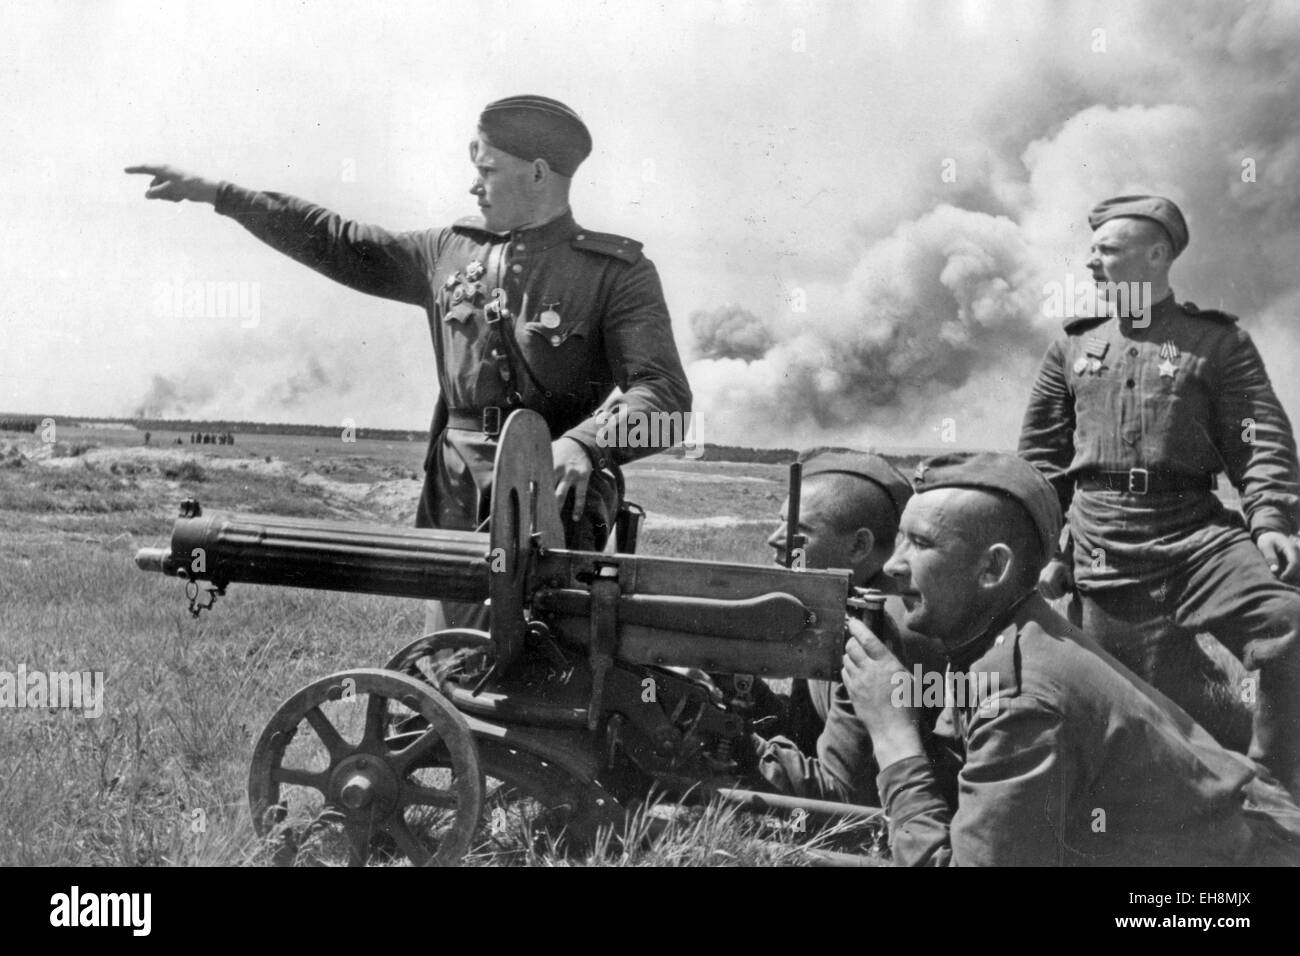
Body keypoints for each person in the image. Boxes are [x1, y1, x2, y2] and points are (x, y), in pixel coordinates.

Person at [126, 95, 692, 634]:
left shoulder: (616, 273)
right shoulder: (447, 252)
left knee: (539, 656)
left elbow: (665, 396)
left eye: (489, 170)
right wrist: (222, 194)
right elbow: (339, 241)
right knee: (448, 655)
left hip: (548, 498)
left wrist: (588, 444)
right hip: (455, 488)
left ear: (539, 174)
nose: (475, 184)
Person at [842, 451, 1300, 866]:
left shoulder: (1023, 695)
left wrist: (893, 735)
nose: (892, 566)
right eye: (899, 541)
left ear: (992, 569)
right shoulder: (1022, 634)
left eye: (921, 544)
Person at [1019, 194, 1300, 794]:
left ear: (1156, 256)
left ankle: (1275, 784)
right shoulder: (1071, 346)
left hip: (1197, 535)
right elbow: (1041, 462)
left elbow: (1261, 438)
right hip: (1104, 543)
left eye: (1108, 250)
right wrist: (1048, 548)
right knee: (1130, 709)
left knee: (1287, 618)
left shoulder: (1217, 343)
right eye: (1091, 250)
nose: (1092, 262)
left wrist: (1271, 519)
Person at [751, 449, 954, 805]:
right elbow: (810, 733)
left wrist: (743, 746)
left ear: (859, 545)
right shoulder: (834, 601)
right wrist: (745, 695)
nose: (774, 538)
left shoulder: (877, 629)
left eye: (799, 530)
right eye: (780, 521)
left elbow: (841, 797)